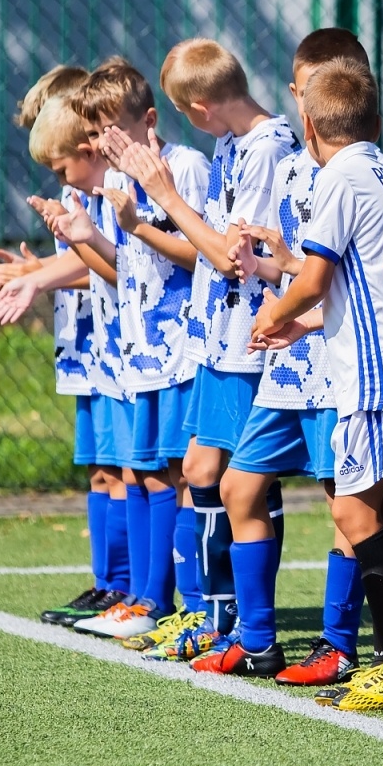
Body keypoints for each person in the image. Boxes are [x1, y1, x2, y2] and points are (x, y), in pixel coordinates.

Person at [249, 56, 383, 713]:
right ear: (375, 119)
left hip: (374, 378)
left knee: (351, 512)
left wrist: (275, 311)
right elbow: (363, 281)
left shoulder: (338, 176)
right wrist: (307, 329)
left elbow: (316, 276)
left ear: (308, 122)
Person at [192, 28, 375, 682]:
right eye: (307, 90)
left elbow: (347, 281)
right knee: (239, 484)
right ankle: (259, 637)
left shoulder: (356, 174)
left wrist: (287, 299)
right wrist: (266, 261)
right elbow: (303, 265)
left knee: (343, 505)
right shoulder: (295, 167)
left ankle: (339, 643)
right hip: (289, 366)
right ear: (299, 98)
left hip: (334, 366)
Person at [112, 39, 299, 647]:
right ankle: (214, 615)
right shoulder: (230, 143)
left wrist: (164, 197)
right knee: (199, 468)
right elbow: (211, 245)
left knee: (244, 481)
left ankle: (246, 625)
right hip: (215, 338)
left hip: (253, 338)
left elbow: (231, 259)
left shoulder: (271, 147)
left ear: (197, 109)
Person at [41, 59, 212, 644]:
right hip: (138, 357)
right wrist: (87, 240)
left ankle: (187, 606)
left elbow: (205, 257)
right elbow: (125, 274)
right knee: (146, 473)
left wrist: (135, 224)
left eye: (111, 129)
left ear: (149, 120)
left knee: (183, 474)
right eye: (94, 134)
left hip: (184, 350)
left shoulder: (184, 167)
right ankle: (145, 599)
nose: (101, 143)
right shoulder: (115, 184)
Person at [0, 75, 134, 627]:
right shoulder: (77, 188)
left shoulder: (107, 186)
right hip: (88, 345)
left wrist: (41, 279)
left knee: (129, 468)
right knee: (102, 468)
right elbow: (85, 264)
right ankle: (108, 584)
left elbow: (110, 261)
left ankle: (128, 587)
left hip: (122, 344)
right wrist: (35, 270)